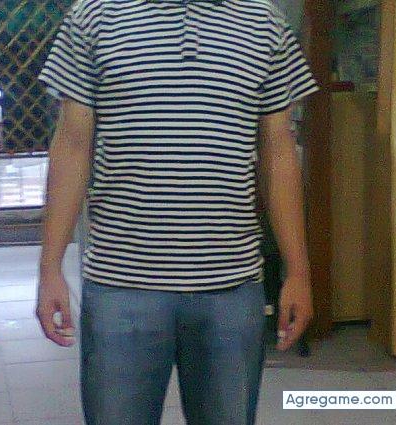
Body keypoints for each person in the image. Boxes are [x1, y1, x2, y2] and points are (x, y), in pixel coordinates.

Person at [35, 0, 318, 423]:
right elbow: (72, 145)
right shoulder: (95, 15)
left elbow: (278, 151)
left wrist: (298, 272)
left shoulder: (263, 22)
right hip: (121, 284)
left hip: (230, 285)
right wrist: (49, 268)